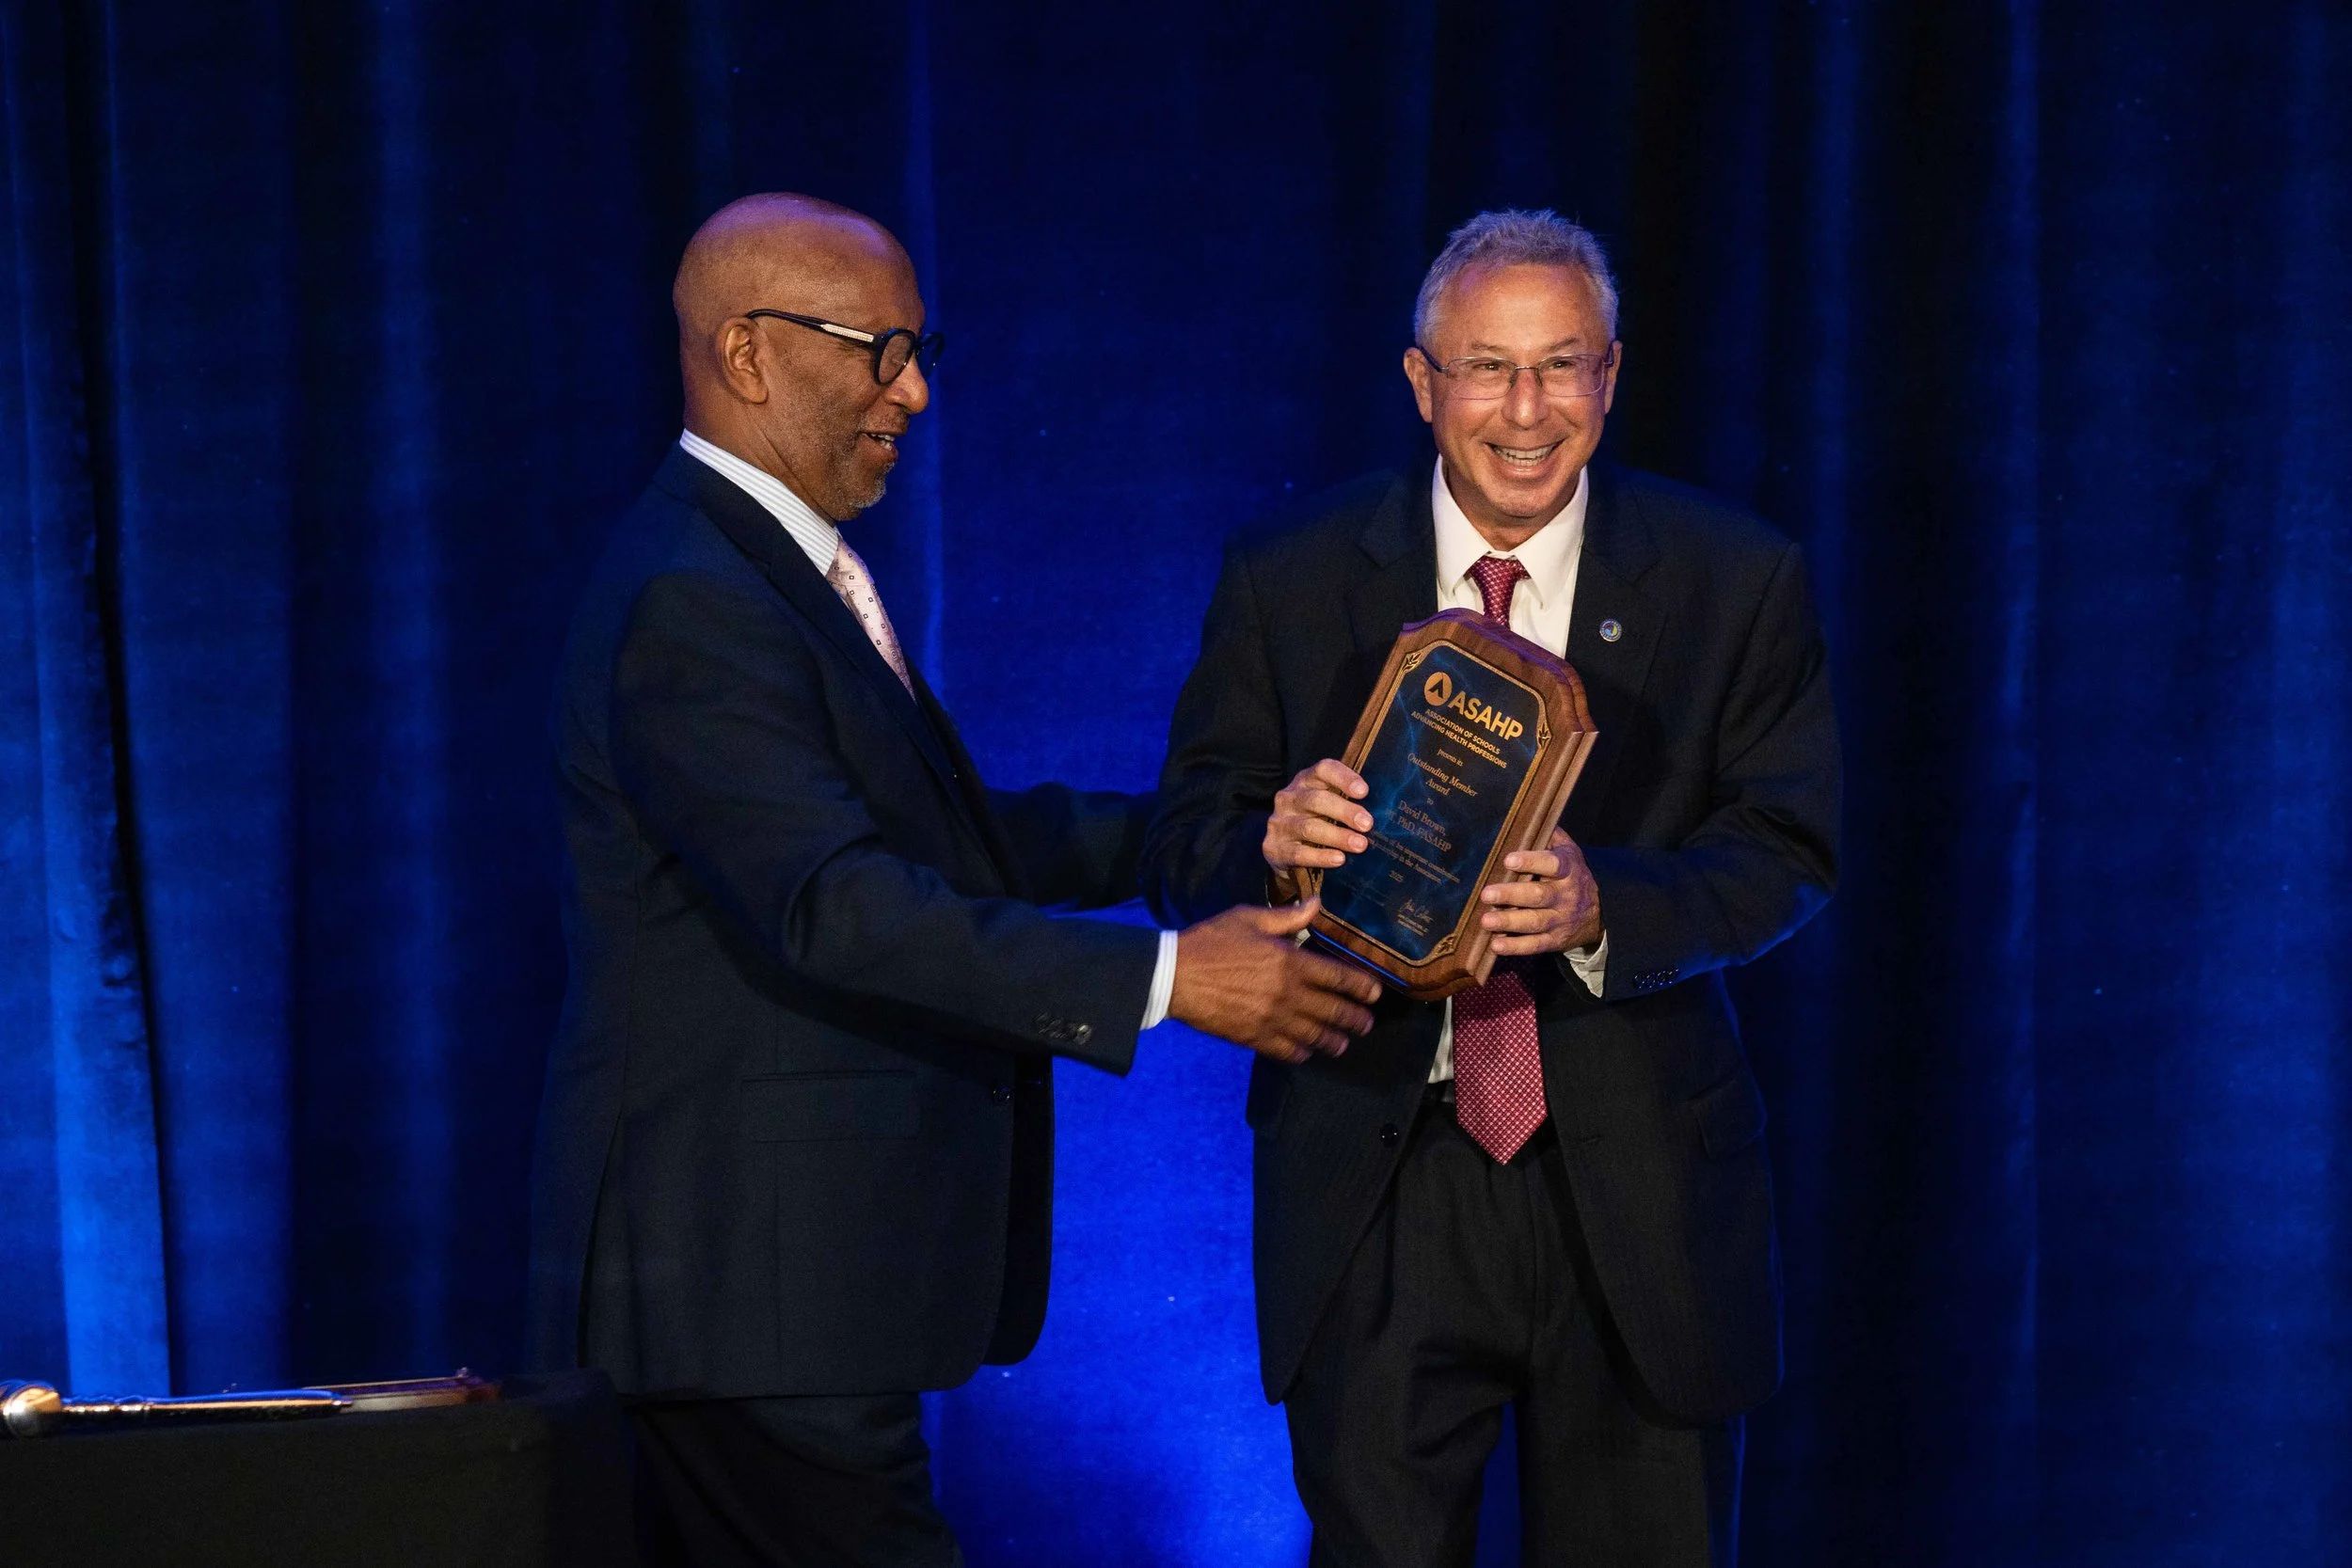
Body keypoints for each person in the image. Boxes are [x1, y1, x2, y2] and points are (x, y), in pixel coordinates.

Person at [525, 192, 1383, 1567]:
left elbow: (956, 837)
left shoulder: (768, 573)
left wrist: (1238, 840)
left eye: (921, 349)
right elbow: (838, 903)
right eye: (880, 348)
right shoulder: (696, 598)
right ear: (746, 353)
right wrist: (1175, 981)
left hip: (789, 1305)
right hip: (746, 1300)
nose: (914, 389)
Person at [1143, 209, 1840, 1566]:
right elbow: (1186, 833)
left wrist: (1606, 910)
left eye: (1560, 365)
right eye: (1486, 368)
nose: (1525, 411)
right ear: (1423, 384)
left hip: (1633, 1179)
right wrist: (1273, 844)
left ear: (1612, 376)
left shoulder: (1735, 578)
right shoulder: (1288, 577)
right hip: (1379, 1167)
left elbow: (1790, 851)